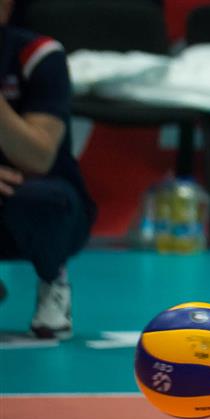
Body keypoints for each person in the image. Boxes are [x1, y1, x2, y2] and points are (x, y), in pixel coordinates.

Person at [0, 0, 96, 338]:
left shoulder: (39, 55)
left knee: (39, 201)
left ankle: (53, 278)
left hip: (38, 198)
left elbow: (38, 157)